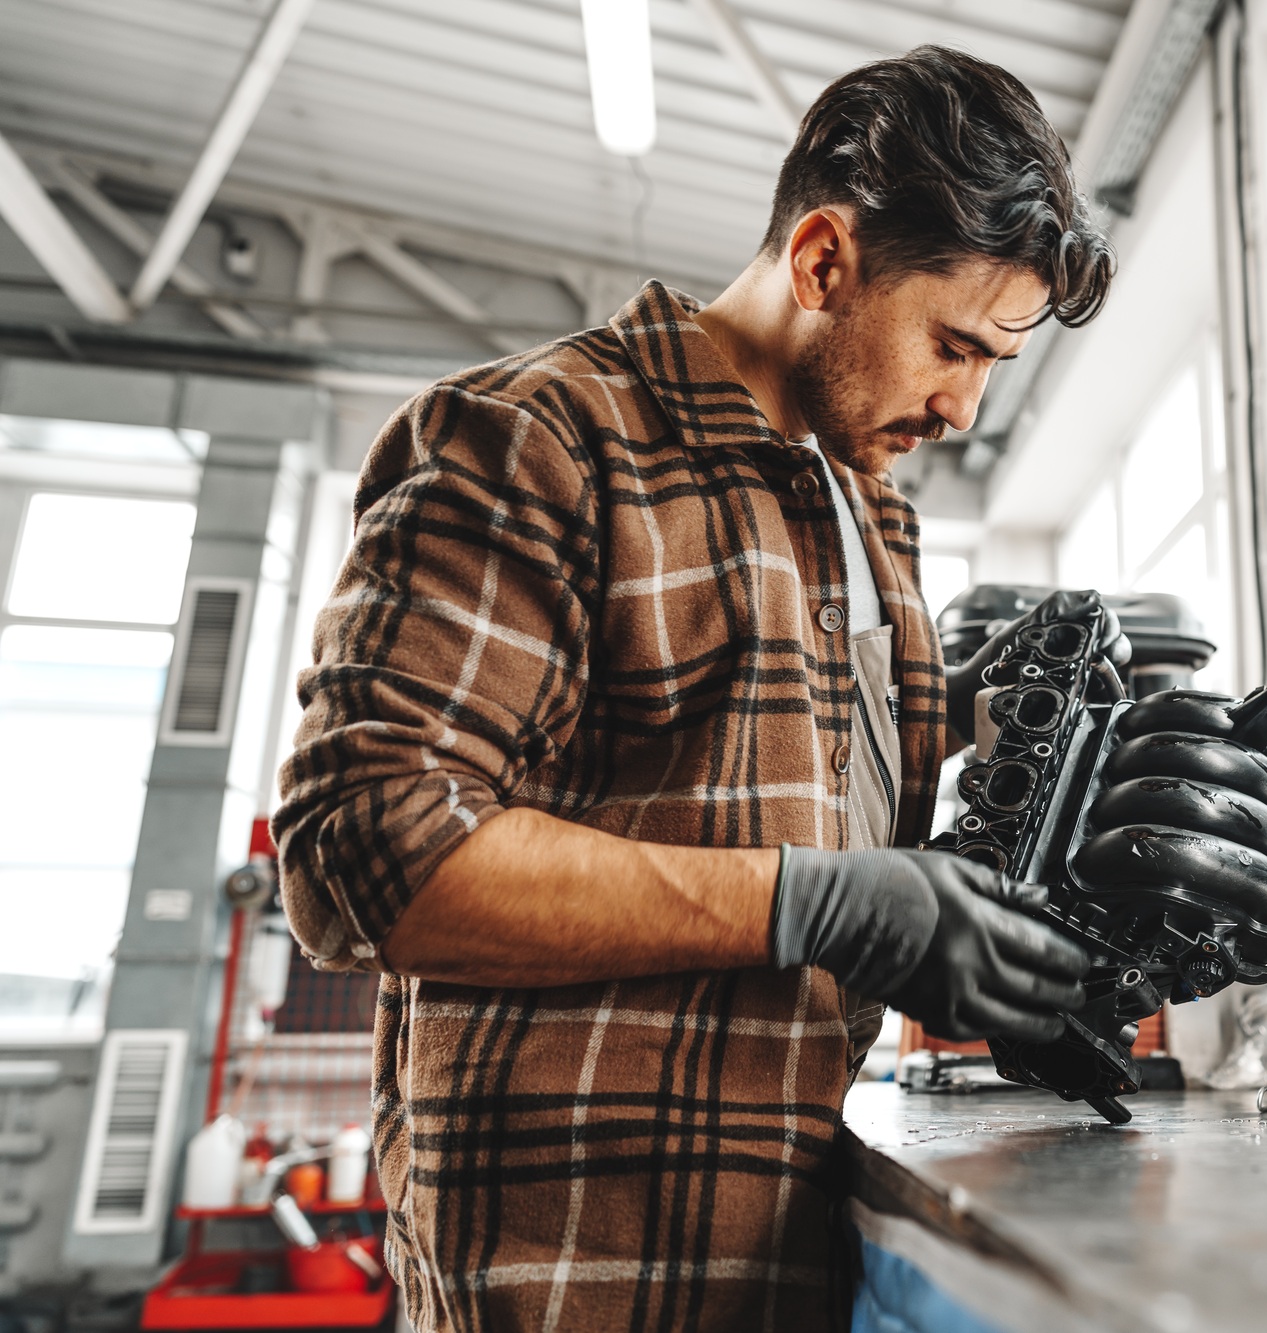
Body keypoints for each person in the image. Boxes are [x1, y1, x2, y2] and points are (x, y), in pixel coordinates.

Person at [275, 46, 1117, 1332]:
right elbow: (360, 853)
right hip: (568, 1281)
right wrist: (820, 903)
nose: (963, 406)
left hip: (787, 1250)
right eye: (953, 345)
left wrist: (1020, 912)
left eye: (993, 362)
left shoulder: (864, 503)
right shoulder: (537, 441)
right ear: (824, 260)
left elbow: (813, 829)